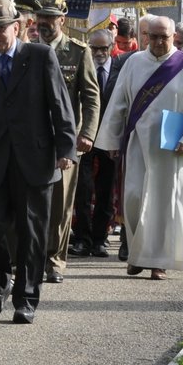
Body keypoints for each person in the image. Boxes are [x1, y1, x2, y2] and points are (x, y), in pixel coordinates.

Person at [0, 0, 76, 324]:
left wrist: (66, 149)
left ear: (18, 26)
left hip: (34, 161)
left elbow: (60, 107)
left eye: (1, 29)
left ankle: (26, 297)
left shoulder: (40, 56)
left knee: (30, 232)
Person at [93, 16, 183, 279]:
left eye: (164, 37)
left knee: (166, 205)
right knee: (134, 200)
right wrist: (113, 141)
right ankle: (137, 256)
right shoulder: (134, 62)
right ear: (146, 37)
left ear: (173, 37)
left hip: (172, 149)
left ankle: (160, 262)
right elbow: (118, 103)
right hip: (137, 144)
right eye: (153, 36)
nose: (158, 42)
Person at [33, 0, 100, 283]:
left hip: (65, 140)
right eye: (40, 16)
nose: (44, 22)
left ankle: (55, 260)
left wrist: (86, 133)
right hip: (32, 138)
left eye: (50, 17)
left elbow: (90, 96)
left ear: (63, 18)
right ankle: (31, 255)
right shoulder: (27, 49)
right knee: (33, 201)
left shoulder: (78, 51)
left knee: (61, 204)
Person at [69, 28, 118, 259]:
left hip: (110, 137)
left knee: (106, 190)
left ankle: (100, 238)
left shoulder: (120, 69)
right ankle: (82, 238)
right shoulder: (82, 63)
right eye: (94, 48)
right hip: (84, 135)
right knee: (83, 188)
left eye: (103, 48)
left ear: (111, 47)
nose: (99, 52)